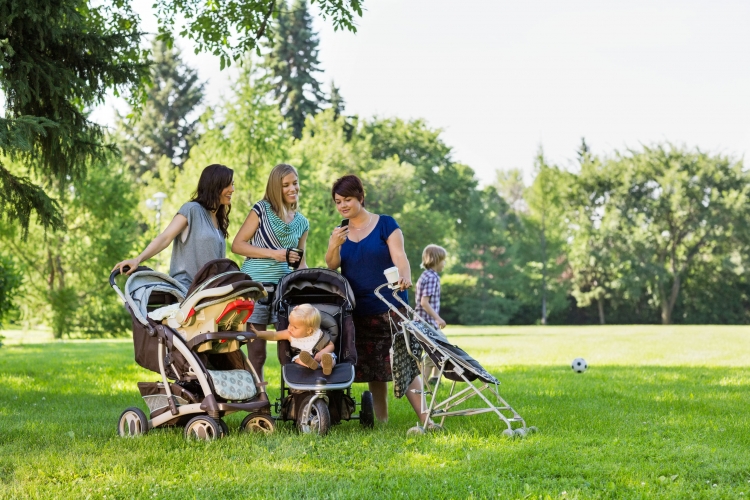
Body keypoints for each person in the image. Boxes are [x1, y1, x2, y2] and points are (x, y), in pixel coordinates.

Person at [325, 174, 437, 429]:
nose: (343, 205)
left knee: (404, 362)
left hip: (391, 307)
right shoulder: (341, 231)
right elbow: (332, 265)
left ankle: (427, 420)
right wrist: (333, 245)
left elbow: (400, 256)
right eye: (338, 201)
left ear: (361, 198)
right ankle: (382, 421)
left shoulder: (385, 224)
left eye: (348, 199)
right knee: (374, 368)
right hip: (358, 310)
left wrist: (405, 277)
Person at [231, 163, 309, 380]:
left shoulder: (302, 222)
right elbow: (237, 245)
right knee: (257, 352)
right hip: (256, 290)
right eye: (286, 185)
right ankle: (259, 400)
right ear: (276, 187)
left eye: (295, 183)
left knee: (288, 348)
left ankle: (292, 398)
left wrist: (308, 284)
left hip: (284, 293)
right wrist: (275, 254)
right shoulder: (261, 210)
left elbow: (300, 263)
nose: (293, 188)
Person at [113, 164, 234, 289]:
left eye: (232, 184)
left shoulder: (217, 220)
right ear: (215, 185)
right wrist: (137, 260)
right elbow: (165, 238)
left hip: (210, 293)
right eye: (228, 185)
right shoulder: (192, 210)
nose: (232, 189)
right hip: (187, 291)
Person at [250, 304, 336, 376]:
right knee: (299, 359)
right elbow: (274, 335)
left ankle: (327, 365)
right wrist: (259, 334)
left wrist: (322, 352)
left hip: (321, 356)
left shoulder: (318, 334)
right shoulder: (289, 334)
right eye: (290, 324)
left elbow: (331, 345)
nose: (290, 328)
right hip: (302, 355)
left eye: (295, 327)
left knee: (330, 357)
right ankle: (310, 364)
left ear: (309, 330)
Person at [414, 244, 447, 384]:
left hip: (423, 322)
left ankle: (433, 378)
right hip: (426, 323)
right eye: (443, 260)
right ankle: (426, 381)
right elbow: (424, 302)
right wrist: (438, 318)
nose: (444, 263)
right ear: (436, 260)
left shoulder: (425, 275)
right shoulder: (432, 277)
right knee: (441, 347)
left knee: (436, 348)